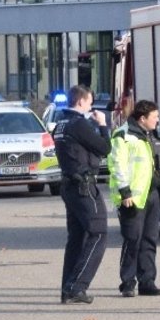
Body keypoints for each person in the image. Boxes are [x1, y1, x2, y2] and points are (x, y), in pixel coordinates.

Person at [54, 85, 109, 304]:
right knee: (99, 233)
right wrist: (102, 125)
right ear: (80, 102)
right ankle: (77, 286)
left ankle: (67, 288)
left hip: (69, 185)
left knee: (77, 238)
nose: (91, 106)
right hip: (84, 186)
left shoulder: (60, 123)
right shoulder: (79, 124)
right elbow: (104, 148)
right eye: (89, 102)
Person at [107, 100, 160, 298]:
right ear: (142, 118)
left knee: (150, 239)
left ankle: (147, 281)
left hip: (153, 194)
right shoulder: (123, 135)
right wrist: (125, 193)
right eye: (154, 117)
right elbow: (117, 165)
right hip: (131, 197)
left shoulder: (156, 134)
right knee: (133, 239)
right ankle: (128, 282)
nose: (157, 120)